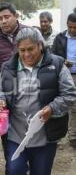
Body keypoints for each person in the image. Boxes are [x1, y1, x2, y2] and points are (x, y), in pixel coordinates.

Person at [0, 27, 76, 175]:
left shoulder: (56, 65)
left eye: (30, 49)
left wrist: (52, 108)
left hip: (45, 135)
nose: (26, 54)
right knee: (14, 170)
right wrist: (0, 99)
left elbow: (69, 94)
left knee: (41, 171)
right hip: (15, 134)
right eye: (22, 50)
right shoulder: (8, 67)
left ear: (40, 45)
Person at [0, 2, 27, 171]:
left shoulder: (29, 33)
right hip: (5, 95)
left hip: (29, 93)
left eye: (6, 17)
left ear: (15, 16)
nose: (3, 21)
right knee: (7, 133)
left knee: (29, 132)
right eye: (0, 18)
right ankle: (12, 167)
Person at [52, 12, 76, 148]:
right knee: (61, 105)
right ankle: (58, 136)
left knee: (75, 108)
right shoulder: (60, 38)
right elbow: (53, 55)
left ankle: (73, 136)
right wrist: (63, 61)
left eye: (75, 28)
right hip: (63, 75)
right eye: (70, 27)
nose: (72, 30)